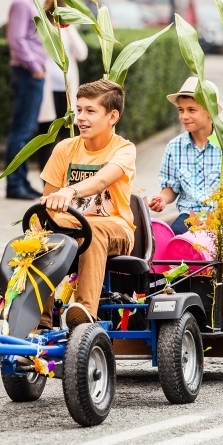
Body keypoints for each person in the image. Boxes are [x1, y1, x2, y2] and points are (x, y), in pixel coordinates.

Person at [37, 79, 136, 329]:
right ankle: (37, 321)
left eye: (90, 111)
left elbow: (102, 180)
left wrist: (70, 191)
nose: (81, 117)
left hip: (114, 228)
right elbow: (47, 205)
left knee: (92, 231)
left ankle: (84, 312)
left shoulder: (124, 149)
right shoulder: (64, 148)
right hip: (70, 228)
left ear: (112, 116)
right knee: (41, 233)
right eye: (79, 110)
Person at [148, 77, 223, 235]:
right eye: (181, 110)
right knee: (174, 237)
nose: (184, 116)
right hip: (188, 217)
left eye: (191, 110)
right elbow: (171, 187)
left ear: (210, 111)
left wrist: (215, 220)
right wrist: (162, 198)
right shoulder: (174, 147)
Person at [5, 0, 49, 201]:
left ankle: (21, 180)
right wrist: (34, 66)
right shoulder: (22, 3)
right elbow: (17, 39)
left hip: (32, 73)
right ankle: (14, 183)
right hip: (27, 73)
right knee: (22, 130)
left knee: (28, 129)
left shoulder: (29, 2)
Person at [36, 0, 88, 173]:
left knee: (68, 134)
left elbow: (82, 53)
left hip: (67, 91)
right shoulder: (43, 30)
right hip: (49, 91)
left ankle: (67, 175)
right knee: (47, 133)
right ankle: (46, 176)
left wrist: (69, 28)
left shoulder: (67, 30)